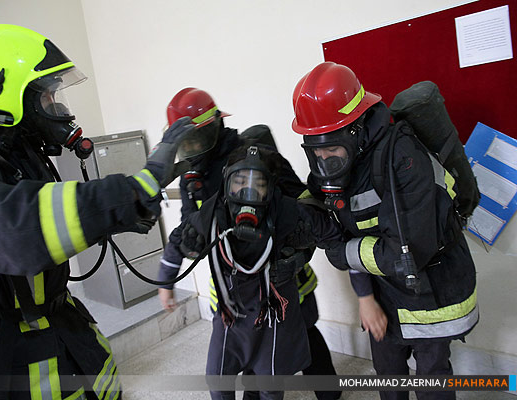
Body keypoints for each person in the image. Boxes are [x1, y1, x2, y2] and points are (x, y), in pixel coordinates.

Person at [0, 24, 193, 400]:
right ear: (5, 94)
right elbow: (18, 229)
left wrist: (120, 215)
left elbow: (52, 216)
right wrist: (132, 191)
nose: (57, 107)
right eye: (48, 95)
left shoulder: (13, 152)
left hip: (61, 331)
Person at [291, 61, 479, 400]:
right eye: (315, 150)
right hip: (384, 293)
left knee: (431, 379)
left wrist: (340, 252)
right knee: (389, 375)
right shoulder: (341, 158)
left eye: (331, 148)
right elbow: (321, 202)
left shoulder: (403, 159)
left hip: (430, 290)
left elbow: (405, 251)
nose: (324, 160)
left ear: (355, 128)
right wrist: (365, 298)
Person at [157, 88, 341, 399]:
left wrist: (297, 255)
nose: (192, 150)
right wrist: (172, 270)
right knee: (246, 352)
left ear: (216, 126)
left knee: (305, 334)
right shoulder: (190, 178)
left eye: (196, 140)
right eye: (185, 143)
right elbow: (189, 227)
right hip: (232, 286)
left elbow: (305, 208)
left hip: (283, 278)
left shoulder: (256, 159)